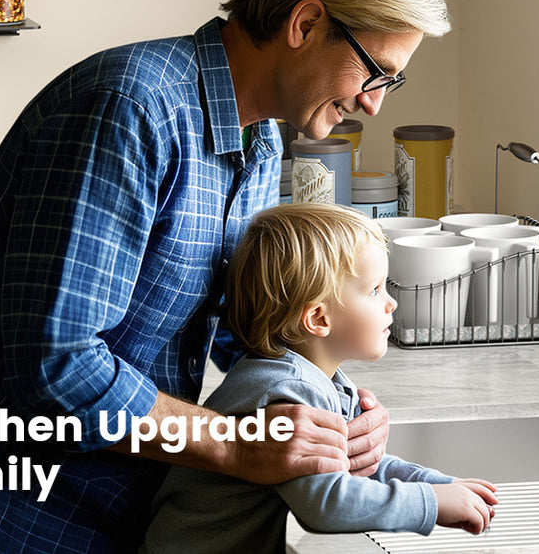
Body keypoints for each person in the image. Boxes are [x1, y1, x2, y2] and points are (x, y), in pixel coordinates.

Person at [0, 0, 451, 552]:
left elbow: (249, 325)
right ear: (307, 23)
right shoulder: (128, 111)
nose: (373, 101)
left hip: (108, 514)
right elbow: (58, 365)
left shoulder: (260, 141)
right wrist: (233, 442)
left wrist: (330, 409)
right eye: (375, 71)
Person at [141, 203, 498, 553]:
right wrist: (431, 502)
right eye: (374, 290)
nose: (389, 303)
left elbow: (356, 465)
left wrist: (438, 483)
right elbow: (326, 505)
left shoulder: (310, 377)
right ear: (318, 319)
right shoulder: (287, 391)